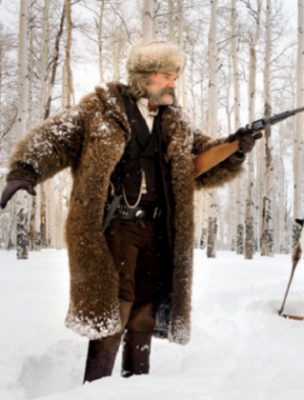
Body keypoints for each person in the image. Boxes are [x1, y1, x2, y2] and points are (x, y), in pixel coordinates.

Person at [0, 41, 257, 383]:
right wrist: (25, 170)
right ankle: (95, 386)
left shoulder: (175, 122)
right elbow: (57, 138)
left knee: (144, 310)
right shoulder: (101, 109)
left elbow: (202, 164)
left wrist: (236, 147)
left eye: (175, 76)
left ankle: (136, 386)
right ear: (143, 77)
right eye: (167, 76)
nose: (173, 83)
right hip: (116, 225)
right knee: (114, 310)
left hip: (158, 230)